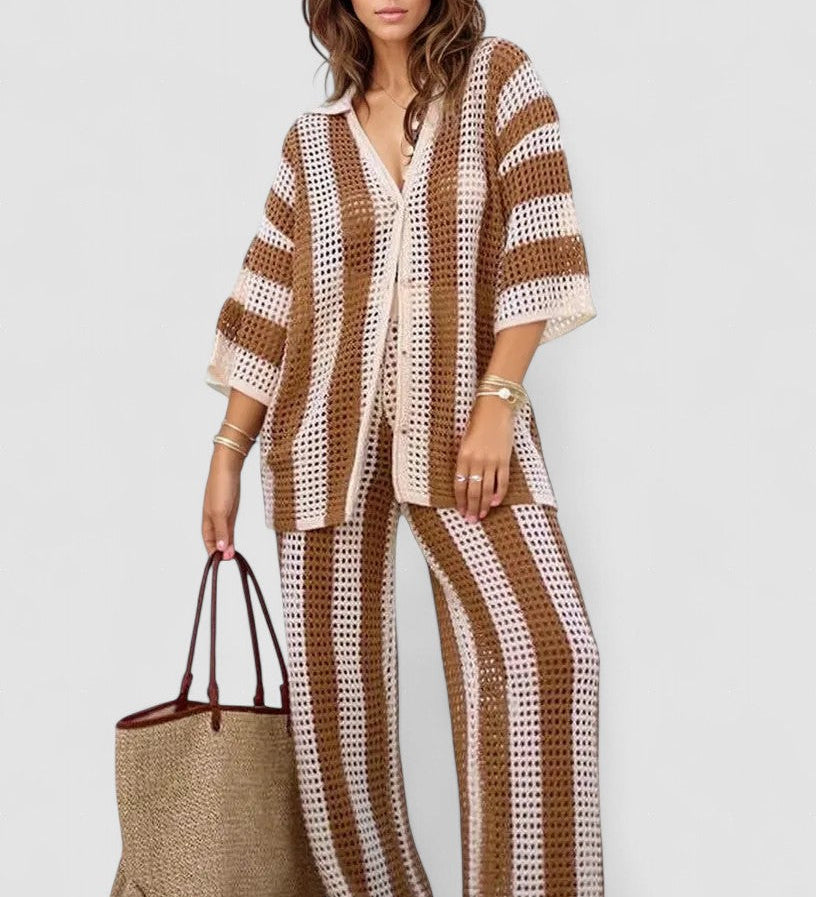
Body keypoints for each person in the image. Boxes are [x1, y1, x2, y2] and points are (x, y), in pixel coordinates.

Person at [202, 2, 605, 895]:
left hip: (464, 429)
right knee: (336, 730)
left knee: (548, 651)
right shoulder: (312, 143)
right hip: (321, 444)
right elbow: (268, 300)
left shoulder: (499, 80)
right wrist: (228, 450)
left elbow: (540, 239)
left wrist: (499, 399)